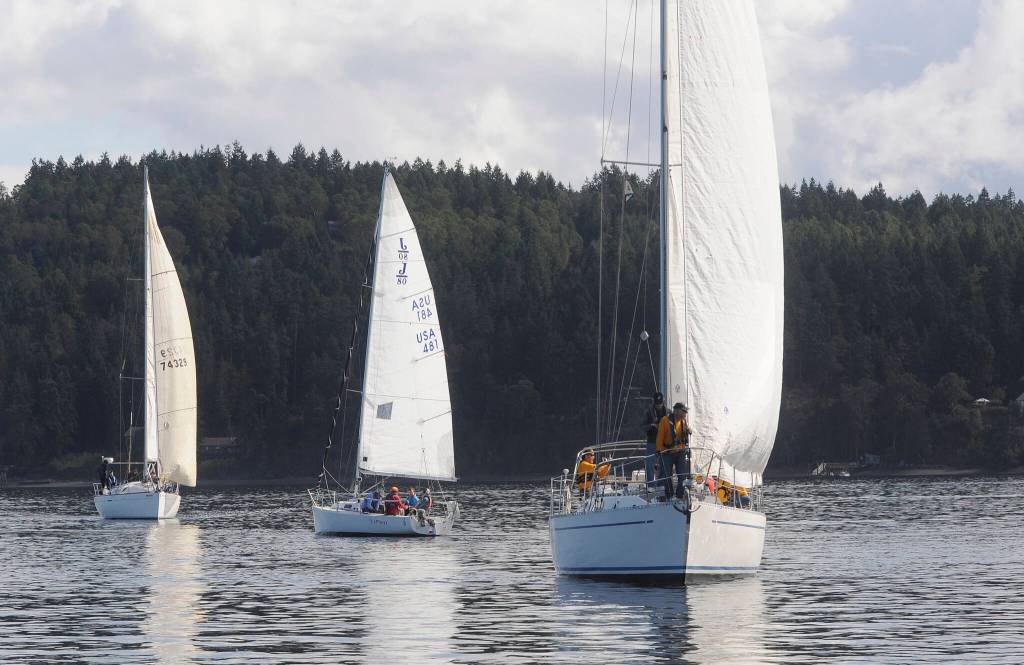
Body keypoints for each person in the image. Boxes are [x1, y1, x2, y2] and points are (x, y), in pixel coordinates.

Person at [656, 402, 692, 499]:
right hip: (667, 453)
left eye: (686, 412)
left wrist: (688, 431)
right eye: (684, 411)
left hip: (680, 452)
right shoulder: (665, 420)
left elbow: (685, 435)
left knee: (682, 475)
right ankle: (669, 496)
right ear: (676, 411)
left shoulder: (684, 421)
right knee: (667, 476)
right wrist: (660, 450)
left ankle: (679, 496)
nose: (685, 413)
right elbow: (659, 438)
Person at [643, 392, 667, 493]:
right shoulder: (648, 412)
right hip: (652, 441)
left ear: (663, 401)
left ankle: (661, 483)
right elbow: (642, 426)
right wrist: (652, 425)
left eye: (660, 403)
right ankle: (651, 484)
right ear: (654, 402)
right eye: (657, 403)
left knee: (665, 462)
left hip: (664, 443)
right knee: (649, 462)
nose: (659, 405)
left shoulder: (668, 412)